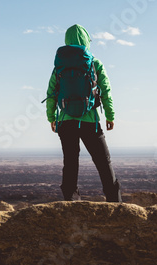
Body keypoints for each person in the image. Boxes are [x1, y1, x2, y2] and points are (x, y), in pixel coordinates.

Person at [46, 24, 121, 202]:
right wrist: (110, 116)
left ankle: (71, 202)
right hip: (90, 121)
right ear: (86, 40)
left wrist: (51, 118)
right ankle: (114, 202)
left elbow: (51, 94)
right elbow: (106, 91)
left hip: (65, 121)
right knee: (104, 162)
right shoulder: (94, 63)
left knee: (70, 163)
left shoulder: (59, 66)